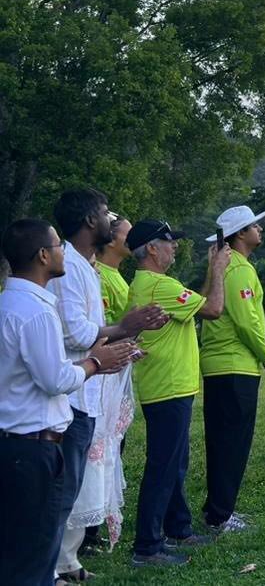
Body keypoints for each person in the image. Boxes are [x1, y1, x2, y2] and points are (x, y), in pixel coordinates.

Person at [0, 219, 135, 586]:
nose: (64, 252)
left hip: (14, 442)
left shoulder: (8, 302)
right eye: (58, 245)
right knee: (35, 549)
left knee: (16, 546)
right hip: (33, 445)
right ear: (43, 255)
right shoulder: (37, 311)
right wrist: (96, 362)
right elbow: (55, 379)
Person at [48, 191, 168, 580]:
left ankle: (68, 561)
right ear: (88, 221)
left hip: (89, 389)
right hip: (73, 392)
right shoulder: (68, 267)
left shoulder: (85, 265)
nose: (110, 221)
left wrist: (120, 344)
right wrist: (125, 327)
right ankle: (51, 568)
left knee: (80, 481)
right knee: (66, 487)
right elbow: (74, 332)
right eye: (105, 214)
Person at [127, 219, 230, 566]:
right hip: (167, 387)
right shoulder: (160, 286)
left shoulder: (152, 284)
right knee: (163, 466)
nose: (175, 248)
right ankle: (147, 546)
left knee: (175, 463)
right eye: (169, 242)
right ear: (152, 249)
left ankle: (177, 527)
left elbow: (197, 304)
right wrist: (217, 269)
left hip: (168, 385)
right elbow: (214, 309)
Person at [200, 206, 265, 535]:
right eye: (254, 225)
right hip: (233, 367)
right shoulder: (238, 270)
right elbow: (246, 322)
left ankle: (218, 509)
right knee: (231, 443)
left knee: (224, 441)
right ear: (240, 234)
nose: (260, 229)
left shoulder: (231, 267)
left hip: (225, 365)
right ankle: (220, 515)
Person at [80, 216, 137, 554]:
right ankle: (85, 532)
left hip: (115, 376)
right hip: (98, 378)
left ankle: (94, 523)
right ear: (111, 238)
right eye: (127, 234)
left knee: (111, 451)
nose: (132, 239)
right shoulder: (99, 277)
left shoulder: (116, 277)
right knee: (95, 452)